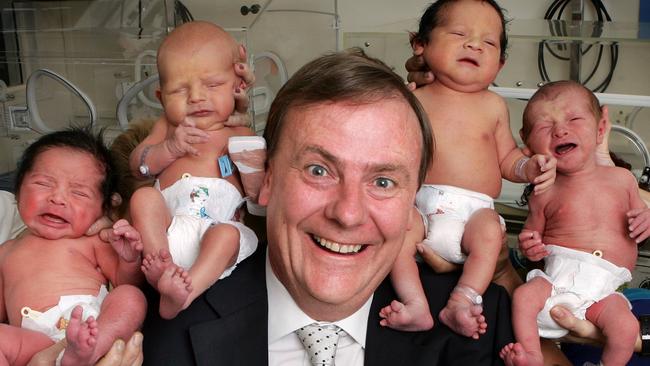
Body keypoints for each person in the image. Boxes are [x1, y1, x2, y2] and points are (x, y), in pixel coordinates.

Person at [140, 48, 514, 365]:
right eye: (319, 170)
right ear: (266, 179)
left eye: (383, 182)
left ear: (413, 198)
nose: (348, 214)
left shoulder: (483, 325)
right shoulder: (160, 322)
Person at [379, 0, 556, 338]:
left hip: (475, 213)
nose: (474, 44)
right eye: (459, 33)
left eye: (488, 42)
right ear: (421, 45)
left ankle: (462, 299)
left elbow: (508, 160)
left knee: (491, 231)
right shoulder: (413, 100)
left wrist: (528, 166)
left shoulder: (493, 106)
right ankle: (415, 303)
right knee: (399, 229)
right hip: (421, 206)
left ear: (500, 64)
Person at [499, 80, 650, 366]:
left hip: (604, 291)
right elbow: (533, 233)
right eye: (545, 127)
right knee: (523, 298)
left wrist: (647, 219)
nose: (560, 130)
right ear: (528, 143)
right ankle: (530, 353)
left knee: (627, 328)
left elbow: (641, 217)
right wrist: (530, 245)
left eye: (575, 119)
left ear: (600, 129)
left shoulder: (622, 180)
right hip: (556, 282)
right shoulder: (544, 192)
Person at [128, 21, 262, 320]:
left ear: (237, 86)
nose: (196, 97)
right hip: (167, 232)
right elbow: (138, 165)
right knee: (143, 200)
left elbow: (259, 195)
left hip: (215, 234)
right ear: (162, 99)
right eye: (179, 90)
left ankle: (184, 294)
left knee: (228, 234)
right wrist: (169, 149)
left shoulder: (239, 131)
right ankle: (159, 267)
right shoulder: (168, 128)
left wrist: (254, 169)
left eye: (212, 85)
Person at [0, 127, 146, 366]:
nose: (58, 198)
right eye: (43, 183)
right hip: (33, 340)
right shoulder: (5, 251)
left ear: (104, 209)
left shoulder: (94, 240)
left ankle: (88, 353)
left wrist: (129, 260)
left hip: (93, 324)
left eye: (78, 193)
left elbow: (124, 281)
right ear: (17, 191)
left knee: (131, 296)